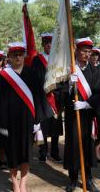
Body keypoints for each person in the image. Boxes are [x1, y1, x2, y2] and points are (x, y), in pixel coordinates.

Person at [0, 42, 52, 192]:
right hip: (9, 122)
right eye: (14, 54)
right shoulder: (3, 76)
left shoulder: (32, 74)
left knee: (25, 154)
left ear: (24, 55)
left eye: (20, 54)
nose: (18, 57)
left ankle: (23, 183)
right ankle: (14, 183)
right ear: (9, 57)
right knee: (12, 154)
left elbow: (38, 98)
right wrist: (2, 124)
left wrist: (37, 121)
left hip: (28, 121)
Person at [64, 37, 100, 192]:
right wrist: (69, 86)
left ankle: (88, 178)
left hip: (88, 115)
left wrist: (86, 104)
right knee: (73, 145)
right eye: (84, 51)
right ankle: (73, 179)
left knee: (87, 146)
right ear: (77, 51)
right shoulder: (69, 70)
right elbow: (60, 92)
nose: (87, 54)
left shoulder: (96, 70)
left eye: (89, 52)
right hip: (73, 116)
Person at [31, 33, 63, 163]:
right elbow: (35, 78)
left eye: (51, 43)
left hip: (56, 97)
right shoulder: (37, 60)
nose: (49, 45)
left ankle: (54, 152)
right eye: (47, 43)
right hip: (43, 97)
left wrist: (58, 90)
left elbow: (63, 77)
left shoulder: (59, 60)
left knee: (55, 126)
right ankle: (43, 152)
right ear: (43, 45)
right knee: (43, 125)